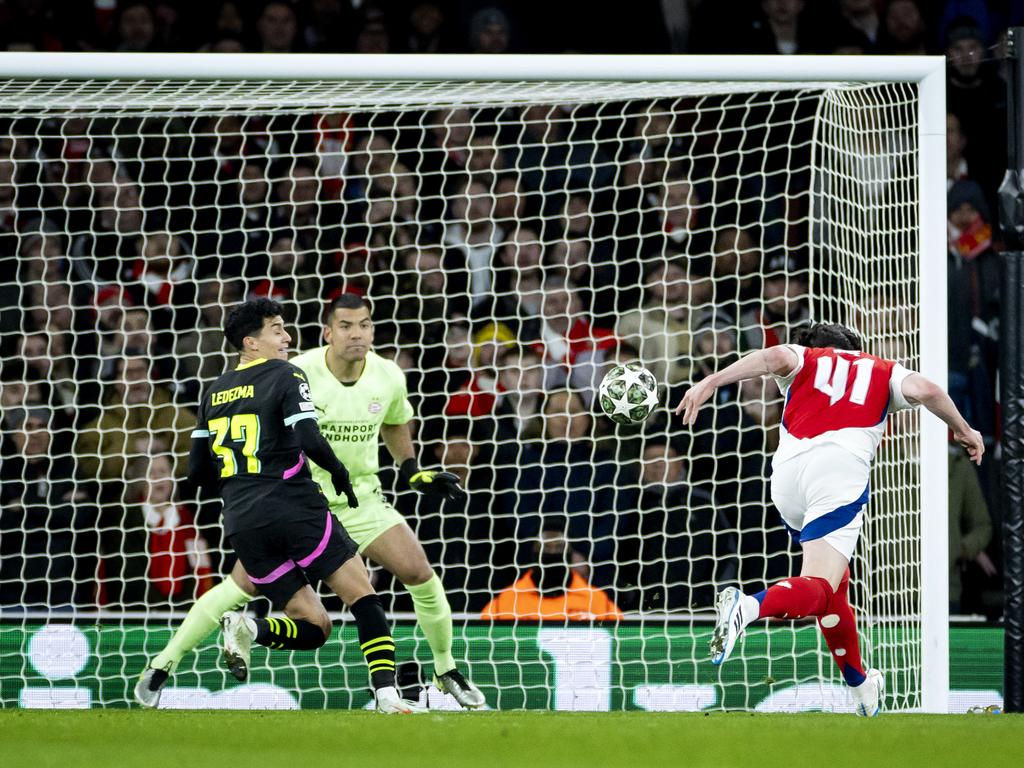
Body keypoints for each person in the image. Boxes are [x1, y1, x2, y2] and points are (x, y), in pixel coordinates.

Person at [675, 321, 984, 717]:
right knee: (819, 585)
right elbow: (927, 390)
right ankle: (747, 608)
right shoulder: (882, 368)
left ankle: (859, 684)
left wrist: (710, 382)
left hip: (786, 477)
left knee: (834, 586)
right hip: (837, 471)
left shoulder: (805, 358)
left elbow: (773, 357)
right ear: (855, 346)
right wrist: (963, 429)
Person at [135, 298, 418, 714]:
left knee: (315, 626)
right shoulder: (288, 374)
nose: (287, 337)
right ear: (251, 343)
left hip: (243, 522)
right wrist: (338, 472)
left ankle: (248, 625)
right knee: (363, 597)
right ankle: (388, 694)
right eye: (277, 329)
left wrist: (240, 487)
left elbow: (196, 472)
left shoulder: (212, 393)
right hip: (294, 507)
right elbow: (306, 434)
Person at [480, 527, 623, 621]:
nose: (552, 553)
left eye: (559, 547)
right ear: (534, 554)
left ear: (569, 554)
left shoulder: (598, 601)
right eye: (546, 547)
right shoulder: (504, 603)